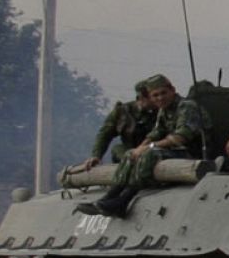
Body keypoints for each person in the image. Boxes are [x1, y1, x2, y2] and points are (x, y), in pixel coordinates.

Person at [79, 74, 206, 217]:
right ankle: (110, 197)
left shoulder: (186, 106)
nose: (160, 98)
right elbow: (156, 132)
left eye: (163, 93)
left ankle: (125, 199)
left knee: (150, 154)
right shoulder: (164, 110)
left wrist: (149, 147)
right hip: (174, 152)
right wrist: (139, 149)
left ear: (172, 90)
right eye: (155, 95)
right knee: (130, 153)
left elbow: (181, 137)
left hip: (191, 153)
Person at [74, 79, 156, 172]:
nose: (157, 99)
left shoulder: (162, 111)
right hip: (129, 151)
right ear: (142, 97)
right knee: (118, 149)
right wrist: (96, 156)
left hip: (154, 150)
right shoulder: (122, 112)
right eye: (153, 96)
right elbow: (105, 134)